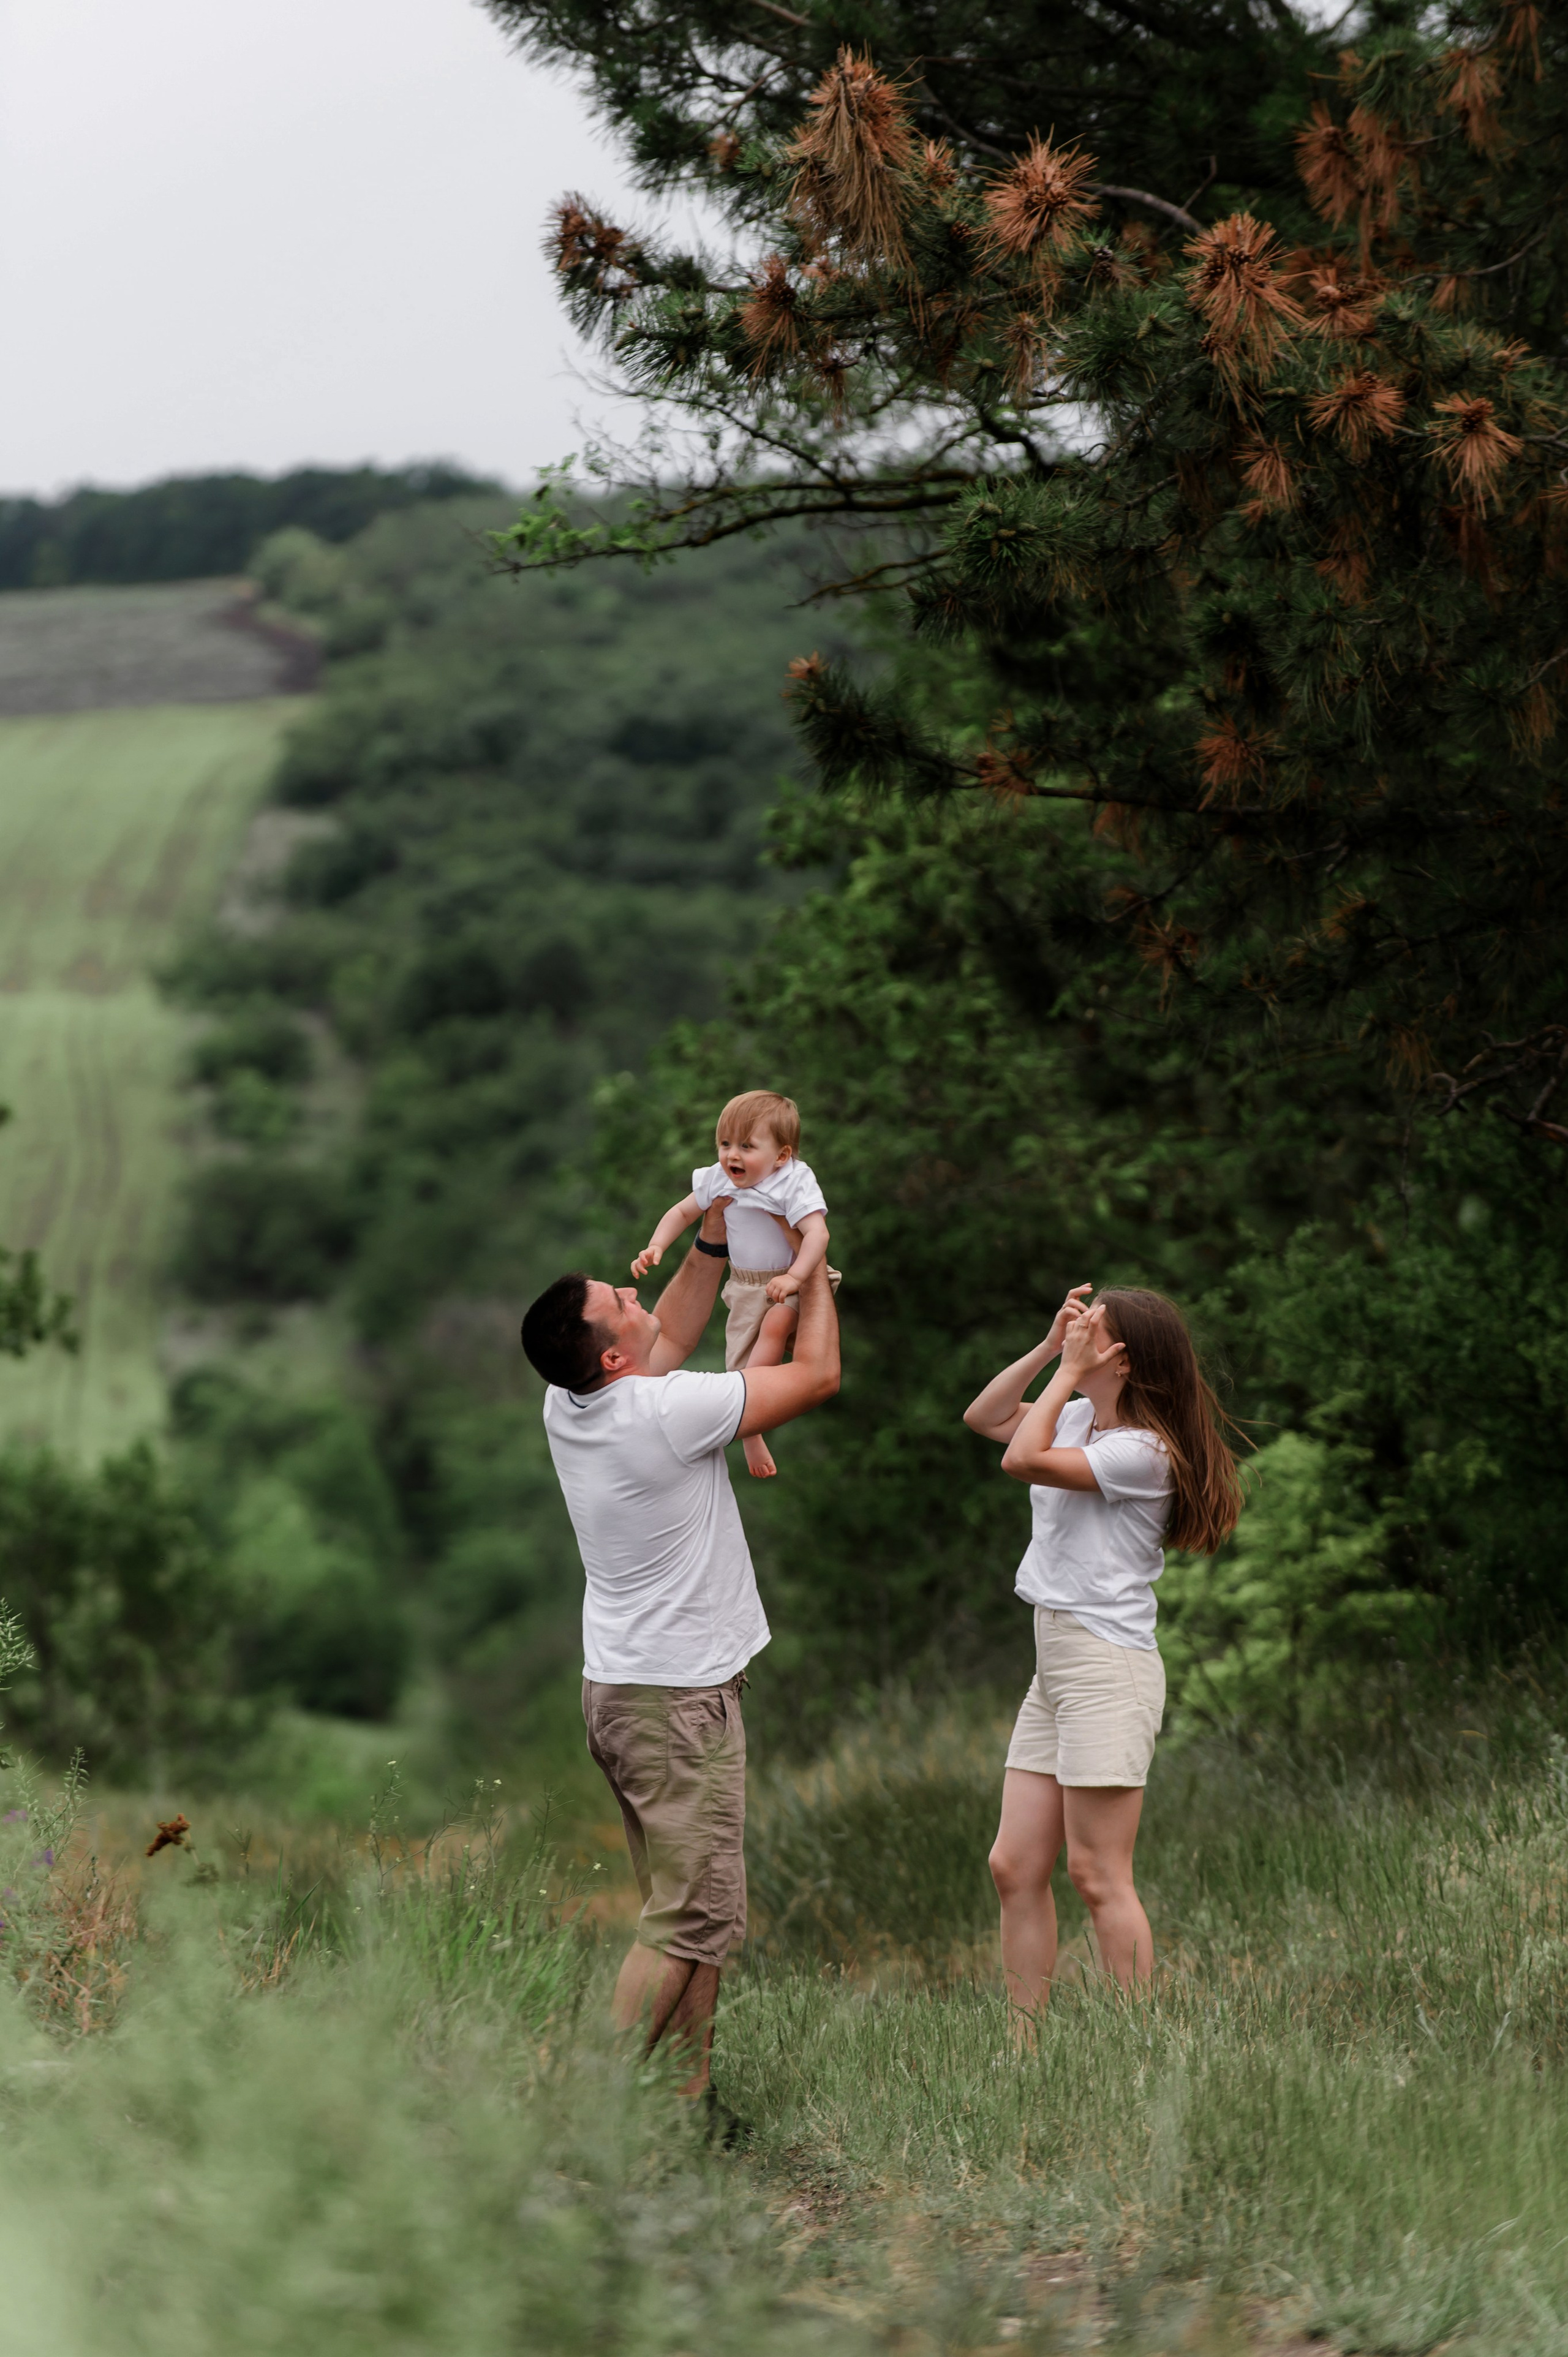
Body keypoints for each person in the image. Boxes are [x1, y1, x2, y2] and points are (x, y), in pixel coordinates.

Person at [520, 1201, 839, 2114]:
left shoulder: (568, 1400)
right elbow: (818, 1375)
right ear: (615, 1359)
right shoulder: (666, 1412)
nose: (635, 1294)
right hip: (674, 1704)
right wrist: (812, 1271)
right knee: (688, 1917)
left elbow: (673, 1328)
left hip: (629, 1693)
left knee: (694, 1914)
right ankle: (585, 2106)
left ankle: (686, 2100)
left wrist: (713, 1234)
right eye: (619, 1301)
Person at [963, 1286, 1243, 2025]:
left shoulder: (1142, 1452)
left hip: (1105, 1667)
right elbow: (986, 1417)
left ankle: (1133, 2044)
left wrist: (1063, 1374)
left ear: (1122, 1359)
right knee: (1013, 1865)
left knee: (1096, 1873)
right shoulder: (1079, 1417)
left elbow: (1020, 1459)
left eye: (1094, 1330)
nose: (1079, 1332)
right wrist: (1047, 1349)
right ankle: (1022, 2046)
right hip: (1055, 1664)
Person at [632, 1089, 838, 1480]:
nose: (732, 1156)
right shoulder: (718, 1179)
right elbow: (682, 1212)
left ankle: (752, 1416)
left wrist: (796, 1277)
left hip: (791, 1278)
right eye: (725, 1144)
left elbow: (818, 1235)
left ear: (782, 1155)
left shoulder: (794, 1181)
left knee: (776, 1324)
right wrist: (655, 1245)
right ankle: (750, 1429)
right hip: (744, 1285)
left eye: (747, 1146)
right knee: (740, 1359)